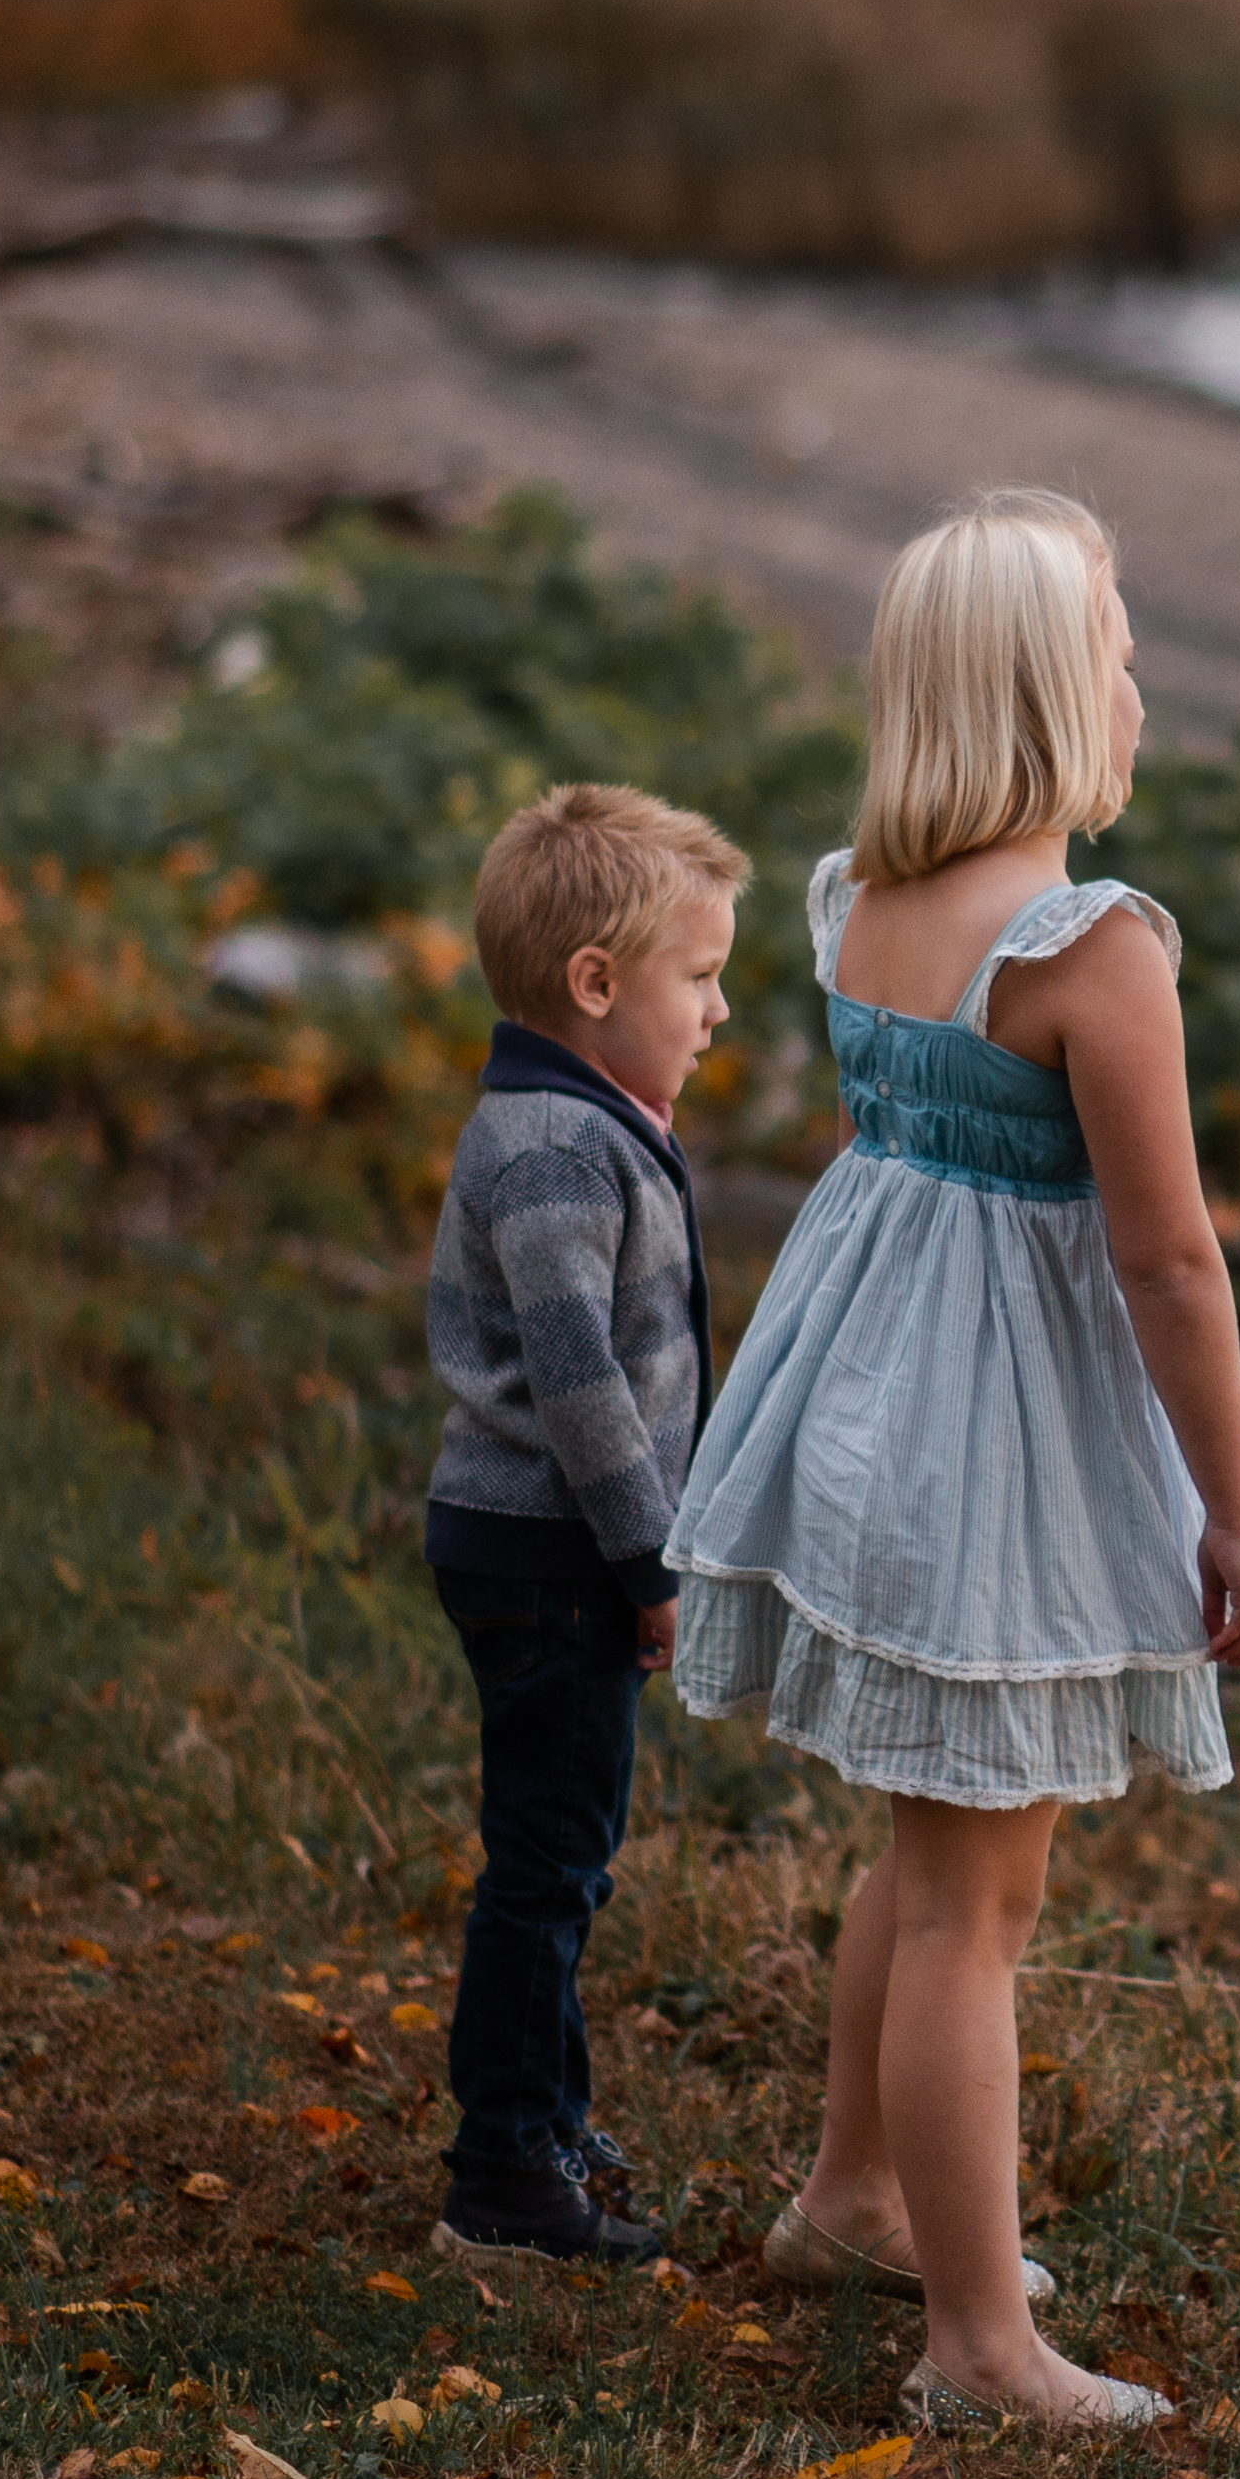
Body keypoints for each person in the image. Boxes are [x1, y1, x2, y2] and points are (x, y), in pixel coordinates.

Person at [669, 486, 1240, 2432]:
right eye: (1116, 641)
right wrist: (1231, 1511)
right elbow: (1168, 1254)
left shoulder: (852, 894)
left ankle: (853, 2194)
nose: (1135, 671)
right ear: (1045, 694)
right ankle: (974, 2347)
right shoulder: (1089, 949)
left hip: (864, 1406)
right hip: (985, 1451)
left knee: (921, 1848)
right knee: (975, 1909)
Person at [415, 779, 749, 2267]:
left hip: (554, 1555)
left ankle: (547, 2121)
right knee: (547, 1865)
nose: (720, 1010)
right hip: (552, 1555)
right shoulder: (556, 1150)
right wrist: (652, 1563)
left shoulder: (585, 1122)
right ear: (596, 984)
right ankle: (502, 2173)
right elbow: (580, 1387)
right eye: (701, 977)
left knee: (568, 1852)